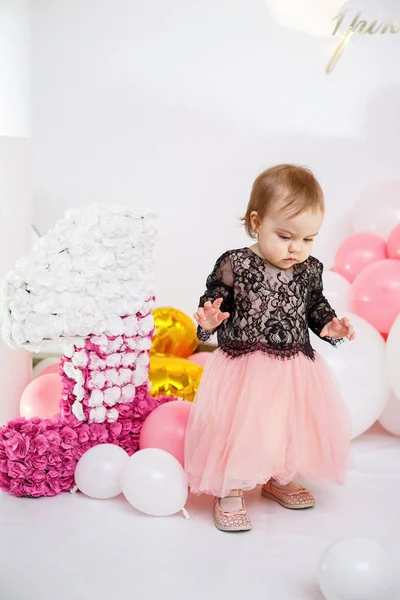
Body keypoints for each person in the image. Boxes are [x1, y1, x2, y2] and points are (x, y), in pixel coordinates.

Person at [184, 164, 356, 533]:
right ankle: (229, 486)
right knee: (239, 426)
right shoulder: (237, 263)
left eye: (309, 238)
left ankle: (278, 475)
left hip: (292, 364)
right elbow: (214, 299)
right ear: (256, 222)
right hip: (243, 365)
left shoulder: (310, 269)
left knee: (283, 424)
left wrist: (330, 325)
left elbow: (315, 307)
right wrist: (209, 319)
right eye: (285, 235)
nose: (297, 248)